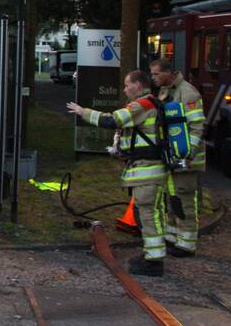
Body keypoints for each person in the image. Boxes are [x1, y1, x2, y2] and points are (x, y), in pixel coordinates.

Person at [68, 70, 168, 277]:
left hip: (147, 168)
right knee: (148, 214)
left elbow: (113, 120)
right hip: (147, 168)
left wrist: (83, 111)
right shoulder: (152, 103)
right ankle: (151, 255)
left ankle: (154, 261)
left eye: (127, 85)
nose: (124, 89)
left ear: (138, 85)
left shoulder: (143, 104)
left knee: (148, 215)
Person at [150, 58, 206, 257]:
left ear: (168, 73)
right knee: (171, 200)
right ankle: (173, 237)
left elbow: (196, 126)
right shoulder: (167, 91)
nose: (153, 78)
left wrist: (186, 153)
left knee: (185, 200)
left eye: (156, 74)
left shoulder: (188, 93)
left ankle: (187, 244)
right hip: (172, 159)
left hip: (186, 161)